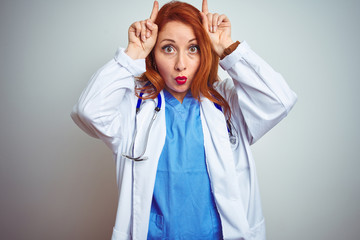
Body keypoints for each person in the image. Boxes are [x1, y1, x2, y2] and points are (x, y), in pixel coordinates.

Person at [71, 0, 297, 239]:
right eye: (168, 48)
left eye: (193, 48)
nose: (181, 64)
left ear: (206, 51)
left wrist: (227, 47)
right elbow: (88, 110)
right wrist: (133, 55)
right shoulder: (134, 106)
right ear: (153, 54)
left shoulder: (226, 102)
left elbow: (280, 100)